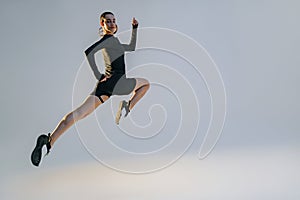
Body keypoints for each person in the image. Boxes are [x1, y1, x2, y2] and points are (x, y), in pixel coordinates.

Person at [31, 11, 150, 167]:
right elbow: (88, 52)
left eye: (114, 20)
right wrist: (97, 74)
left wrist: (134, 28)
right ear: (102, 24)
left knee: (80, 113)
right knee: (146, 84)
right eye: (108, 21)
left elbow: (131, 47)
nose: (112, 23)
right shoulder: (107, 39)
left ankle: (49, 140)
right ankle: (128, 106)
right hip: (118, 83)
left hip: (105, 87)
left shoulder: (113, 41)